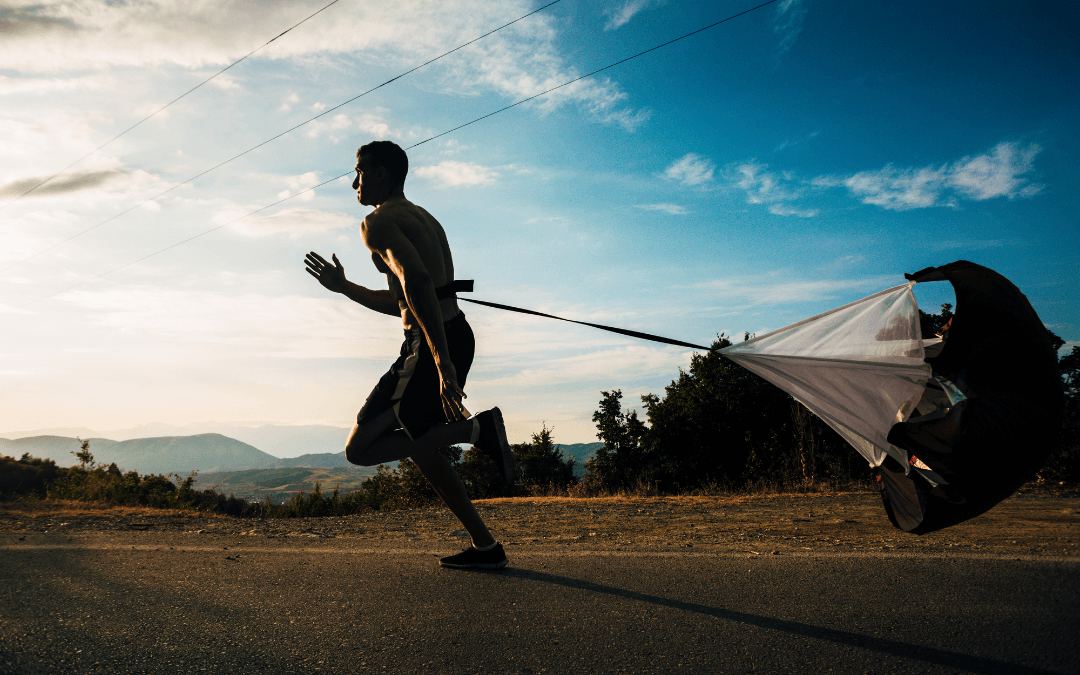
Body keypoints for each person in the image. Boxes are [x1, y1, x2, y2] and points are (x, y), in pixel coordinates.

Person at [304, 140, 514, 569]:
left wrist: (440, 360)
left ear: (380, 173)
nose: (353, 183)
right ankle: (486, 548)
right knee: (419, 445)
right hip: (451, 332)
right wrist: (346, 288)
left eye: (358, 172)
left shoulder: (376, 223)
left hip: (430, 342)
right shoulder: (424, 218)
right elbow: (404, 300)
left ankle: (477, 432)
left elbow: (417, 282)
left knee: (360, 448)